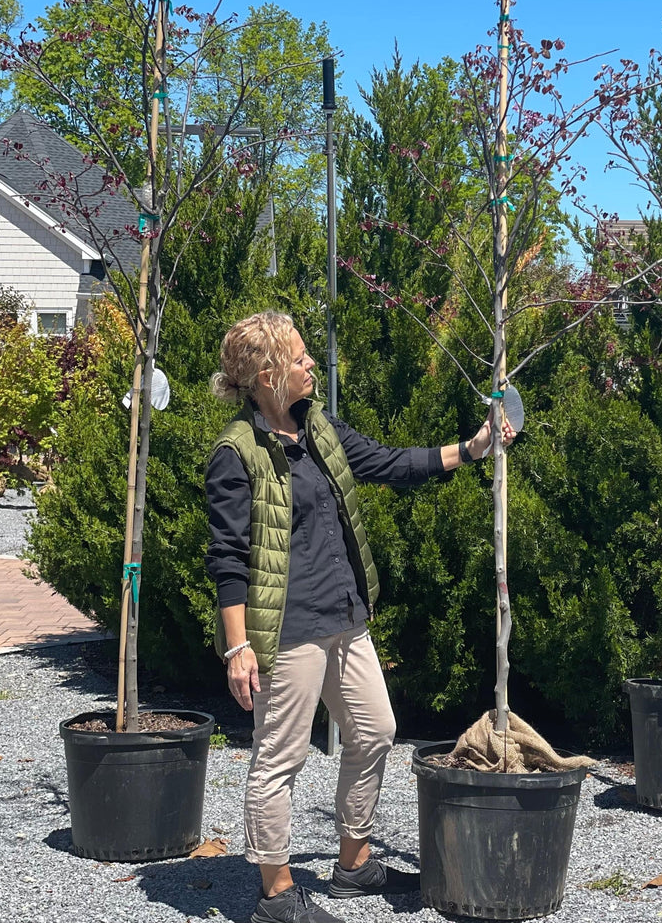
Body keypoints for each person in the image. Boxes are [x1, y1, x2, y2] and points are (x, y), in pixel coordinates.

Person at [205, 311, 513, 923]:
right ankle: (276, 892)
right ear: (266, 376)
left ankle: (354, 863)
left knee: (375, 729)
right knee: (280, 758)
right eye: (299, 358)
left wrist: (473, 450)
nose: (311, 363)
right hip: (285, 630)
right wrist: (238, 648)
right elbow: (228, 558)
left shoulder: (316, 428)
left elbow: (389, 463)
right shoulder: (235, 453)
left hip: (344, 615)